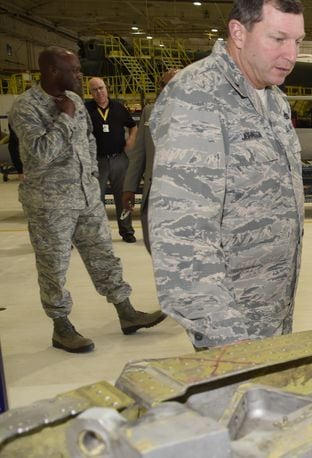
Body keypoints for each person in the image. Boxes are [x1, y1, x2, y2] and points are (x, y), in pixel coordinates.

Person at [149, 0, 305, 350]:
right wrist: (228, 343)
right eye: (278, 38)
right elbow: (182, 240)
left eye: (298, 41)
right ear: (238, 32)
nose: (291, 55)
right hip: (230, 325)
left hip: (273, 307)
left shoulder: (273, 99)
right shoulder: (197, 97)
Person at [9, 47, 166, 353]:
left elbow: (88, 140)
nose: (80, 76)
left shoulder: (78, 102)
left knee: (104, 256)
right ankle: (61, 327)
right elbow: (39, 154)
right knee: (53, 266)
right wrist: (65, 118)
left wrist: (92, 177)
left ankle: (126, 311)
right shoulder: (26, 107)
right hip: (49, 204)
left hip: (86, 197)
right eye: (75, 70)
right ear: (54, 71)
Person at [122, 69, 179, 253]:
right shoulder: (149, 112)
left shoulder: (197, 113)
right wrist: (129, 188)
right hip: (153, 196)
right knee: (153, 248)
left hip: (181, 197)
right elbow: (139, 153)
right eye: (164, 85)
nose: (168, 89)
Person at [86, 77, 138, 243]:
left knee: (123, 196)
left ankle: (127, 230)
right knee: (96, 199)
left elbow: (133, 126)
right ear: (90, 92)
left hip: (119, 159)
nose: (99, 92)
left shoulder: (118, 107)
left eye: (101, 88)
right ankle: (99, 235)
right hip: (97, 161)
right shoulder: (86, 109)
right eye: (94, 89)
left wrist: (131, 140)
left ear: (106, 88)